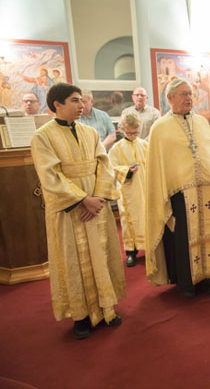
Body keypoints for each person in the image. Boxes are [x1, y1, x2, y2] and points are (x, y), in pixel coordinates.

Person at [30, 83, 125, 339]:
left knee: (101, 254)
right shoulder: (42, 137)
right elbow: (50, 176)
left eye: (82, 100)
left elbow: (104, 164)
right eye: (75, 101)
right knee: (74, 259)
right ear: (57, 105)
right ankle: (81, 316)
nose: (81, 105)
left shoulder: (90, 132)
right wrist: (83, 199)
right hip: (71, 210)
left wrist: (99, 197)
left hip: (97, 206)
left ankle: (107, 307)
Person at [145, 78, 210, 298]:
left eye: (190, 93)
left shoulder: (201, 122)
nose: (189, 98)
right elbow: (157, 166)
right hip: (180, 192)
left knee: (209, 232)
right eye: (183, 94)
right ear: (170, 98)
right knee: (184, 236)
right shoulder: (159, 128)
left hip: (207, 188)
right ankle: (187, 281)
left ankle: (209, 278)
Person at [108, 114, 148, 267]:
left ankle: (149, 248)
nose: (133, 136)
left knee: (146, 217)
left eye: (136, 133)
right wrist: (127, 171)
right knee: (128, 219)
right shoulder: (116, 149)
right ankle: (131, 251)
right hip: (128, 191)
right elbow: (111, 167)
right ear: (122, 129)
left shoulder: (144, 145)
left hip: (144, 188)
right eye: (129, 133)